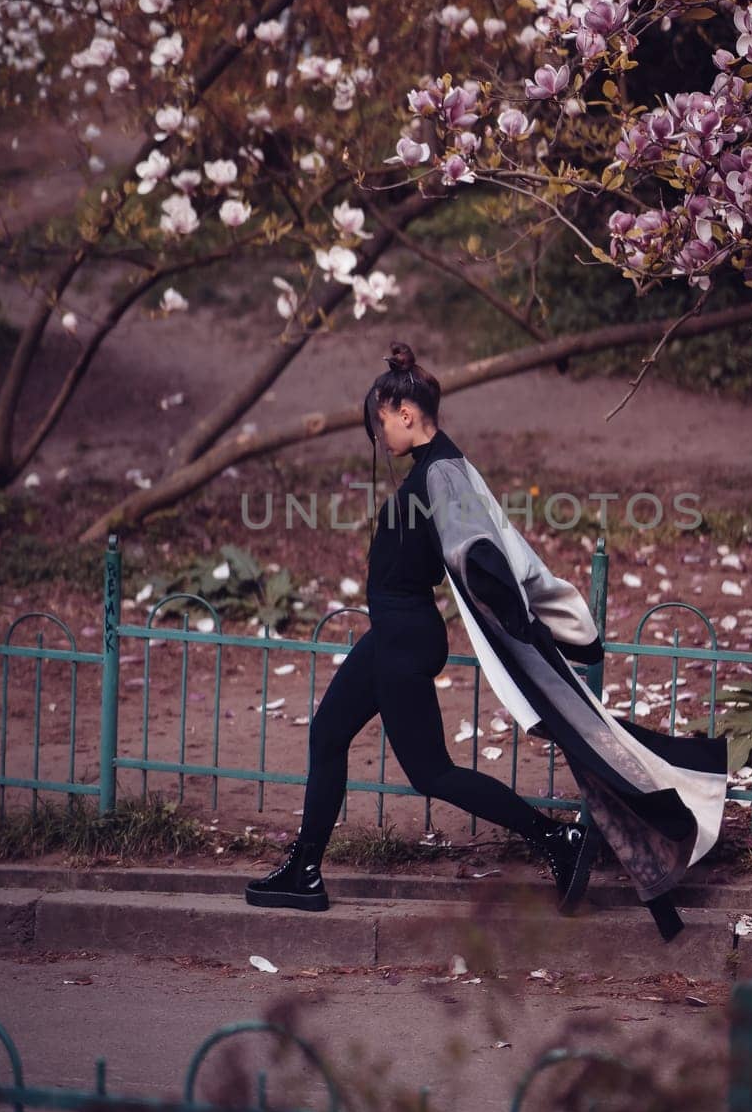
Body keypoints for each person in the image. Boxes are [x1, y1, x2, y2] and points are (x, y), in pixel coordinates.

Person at [244, 341, 600, 915]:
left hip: (403, 639)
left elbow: (479, 551)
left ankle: (558, 837)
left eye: (380, 422)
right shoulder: (439, 469)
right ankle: (304, 870)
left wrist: (519, 618)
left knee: (432, 772)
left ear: (404, 413)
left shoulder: (442, 476)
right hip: (393, 635)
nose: (380, 436)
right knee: (328, 734)